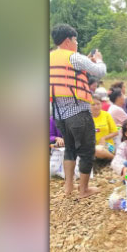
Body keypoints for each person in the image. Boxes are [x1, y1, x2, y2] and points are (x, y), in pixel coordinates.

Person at [49, 23, 106, 198]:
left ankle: (68, 188)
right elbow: (99, 72)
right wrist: (99, 59)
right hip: (78, 114)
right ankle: (84, 190)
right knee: (87, 151)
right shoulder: (74, 58)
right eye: (75, 40)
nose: (76, 44)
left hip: (59, 115)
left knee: (70, 149)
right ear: (67, 41)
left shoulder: (49, 57)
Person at [90, 96, 119, 160]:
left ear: (101, 104)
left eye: (98, 104)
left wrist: (104, 138)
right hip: (92, 146)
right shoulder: (86, 118)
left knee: (99, 151)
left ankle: (115, 160)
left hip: (108, 145)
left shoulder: (106, 115)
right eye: (93, 104)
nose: (96, 106)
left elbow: (115, 132)